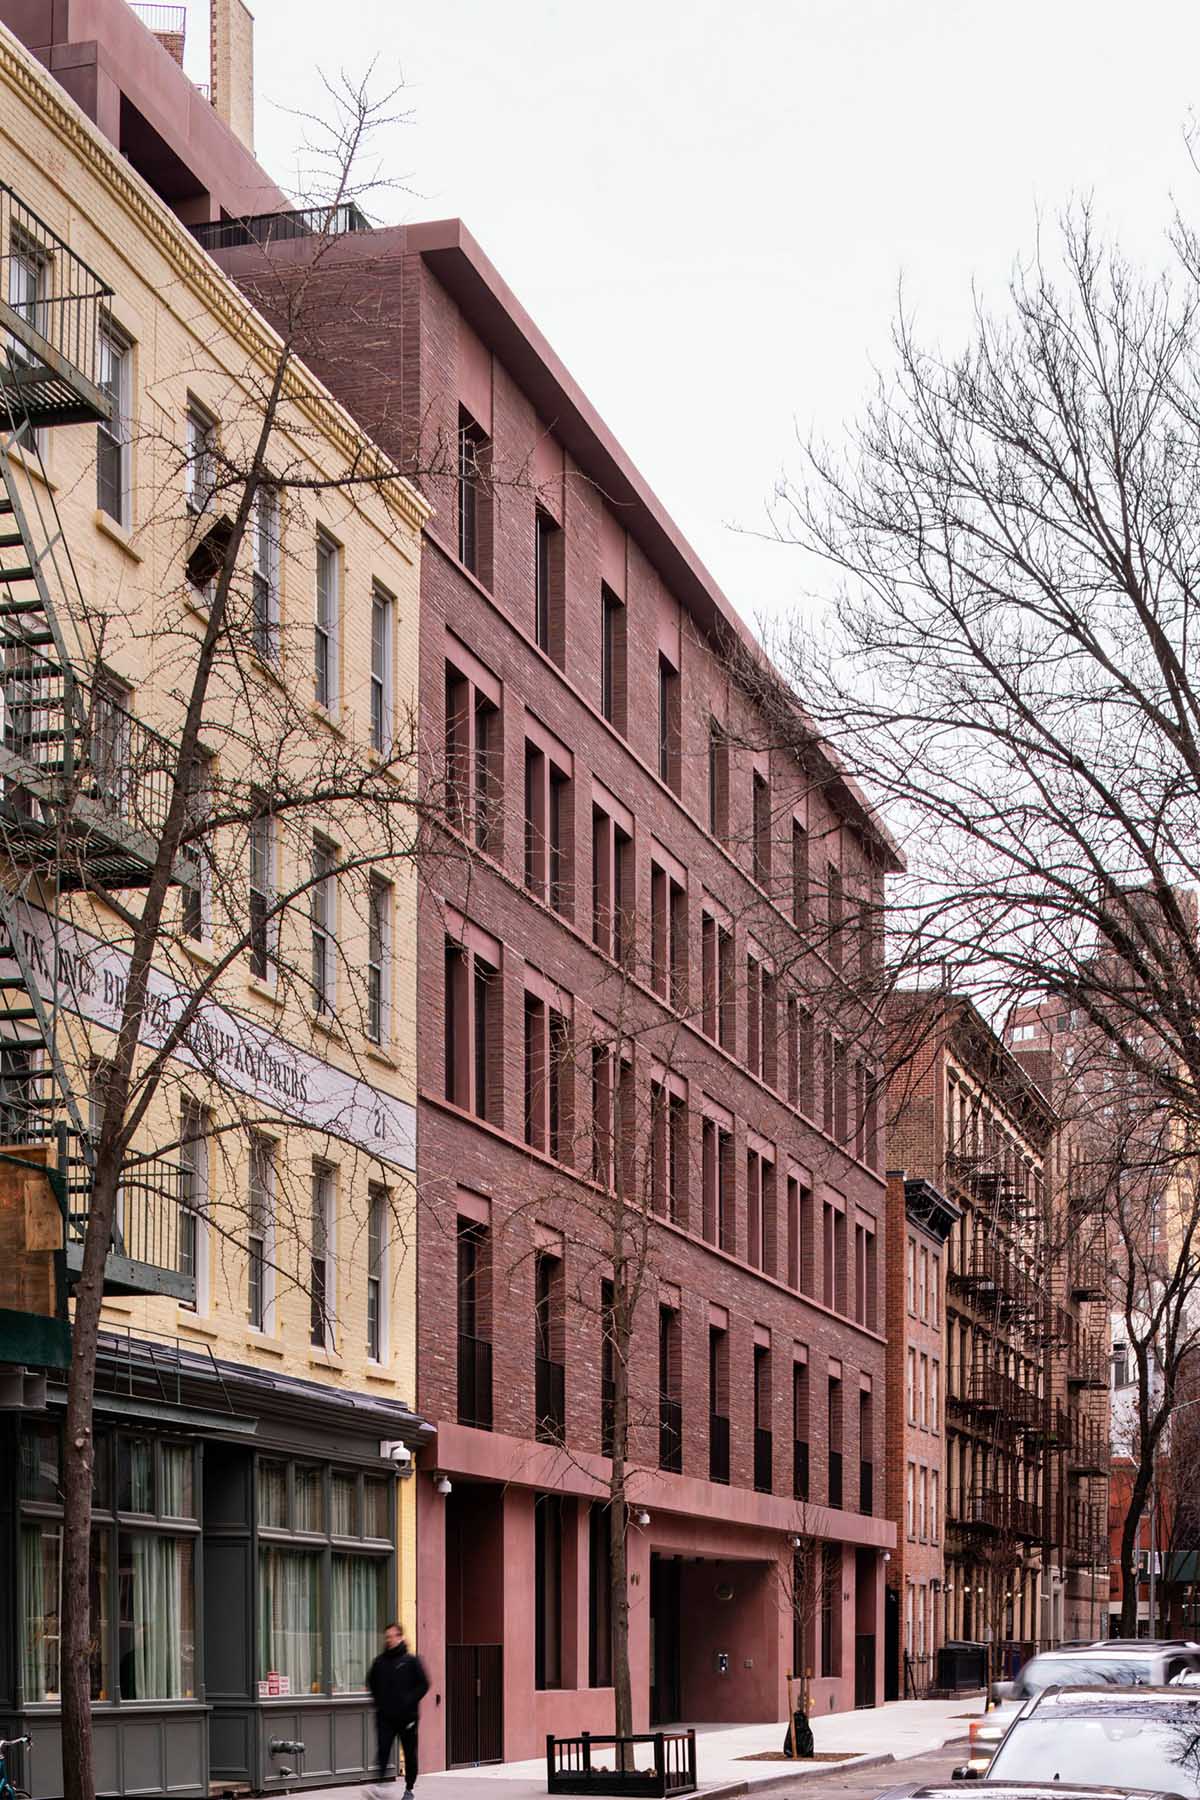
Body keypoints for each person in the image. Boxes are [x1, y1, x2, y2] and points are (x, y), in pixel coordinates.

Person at [367, 1622, 429, 1797]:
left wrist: (408, 1701)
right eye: (387, 1636)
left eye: (392, 1636)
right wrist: (380, 1702)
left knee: (410, 1754)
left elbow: (424, 1685)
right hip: (385, 1717)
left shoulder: (411, 1661)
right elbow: (371, 1682)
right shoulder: (380, 1662)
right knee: (383, 1749)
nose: (389, 1640)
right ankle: (379, 1786)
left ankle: (409, 1788)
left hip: (407, 1718)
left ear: (400, 1637)